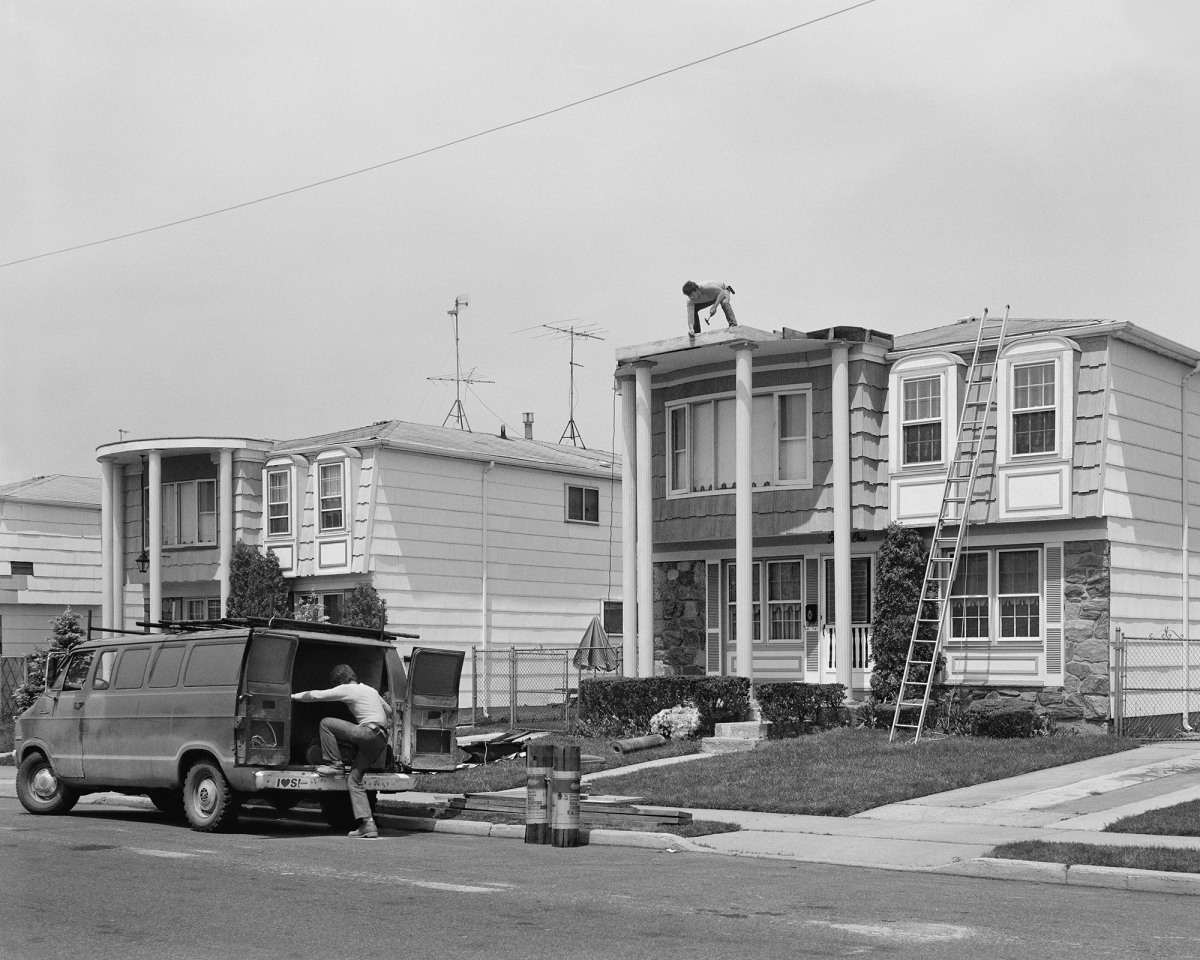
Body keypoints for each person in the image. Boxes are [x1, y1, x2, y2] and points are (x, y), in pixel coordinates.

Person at [292, 664, 393, 839]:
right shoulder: (369, 690)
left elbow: (316, 696)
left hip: (367, 732)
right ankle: (368, 825)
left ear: (340, 682)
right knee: (354, 780)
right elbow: (389, 710)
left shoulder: (348, 689)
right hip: (381, 739)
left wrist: (292, 696)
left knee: (326, 723)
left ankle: (335, 764)